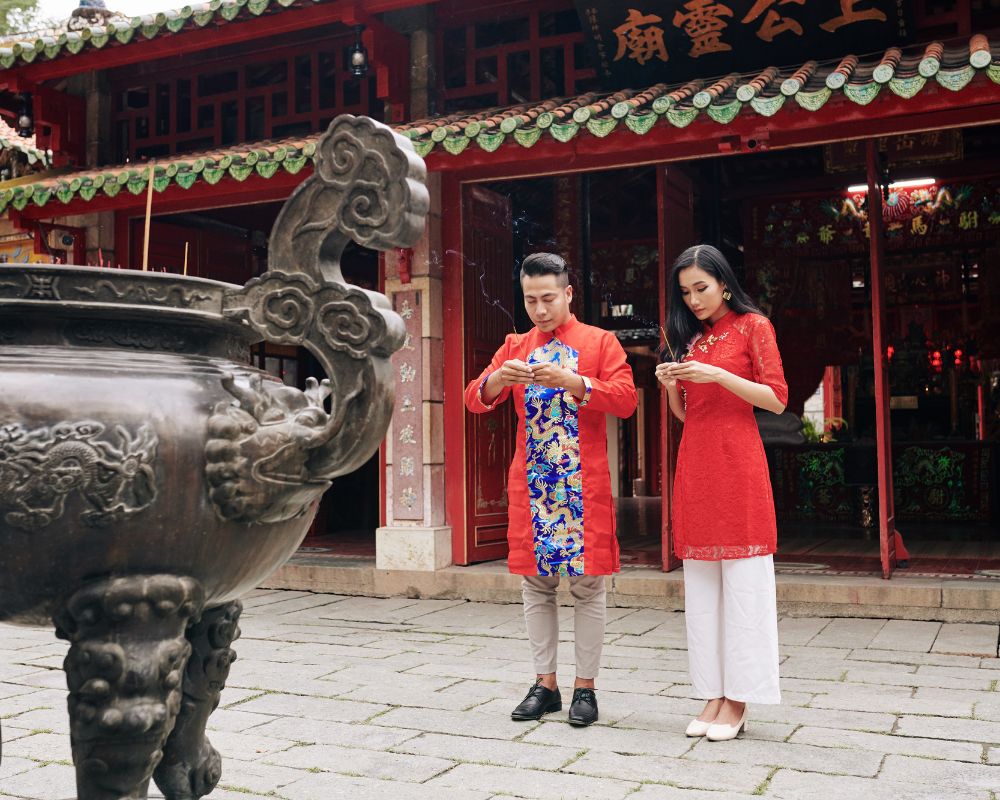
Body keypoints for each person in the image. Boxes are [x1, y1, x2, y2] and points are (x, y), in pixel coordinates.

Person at [464, 252, 637, 727]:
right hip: (534, 485)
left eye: (547, 298)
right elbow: (474, 398)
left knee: (588, 587)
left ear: (567, 294)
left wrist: (577, 382)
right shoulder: (515, 345)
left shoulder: (600, 342)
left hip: (584, 484)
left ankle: (586, 688)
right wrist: (499, 376)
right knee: (535, 587)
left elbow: (626, 400)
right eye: (530, 300)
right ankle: (545, 684)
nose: (539, 310)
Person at [655, 244, 787, 742]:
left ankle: (739, 699)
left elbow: (775, 399)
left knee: (745, 587)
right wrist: (672, 384)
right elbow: (690, 414)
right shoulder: (694, 341)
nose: (693, 300)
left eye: (701, 289)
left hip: (738, 465)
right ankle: (712, 693)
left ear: (724, 283)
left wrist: (718, 374)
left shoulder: (755, 328)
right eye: (685, 292)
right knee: (703, 589)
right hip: (697, 464)